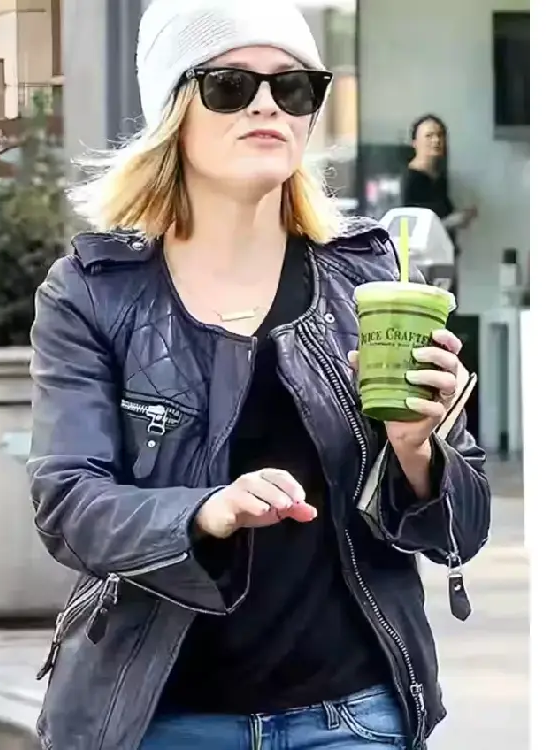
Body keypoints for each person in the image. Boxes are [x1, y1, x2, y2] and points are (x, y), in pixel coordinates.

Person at [27, 3, 491, 749]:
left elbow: (458, 532)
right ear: (173, 110)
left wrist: (419, 450)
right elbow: (69, 501)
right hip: (158, 721)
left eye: (294, 86)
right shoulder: (95, 292)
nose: (268, 105)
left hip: (352, 718)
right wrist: (204, 511)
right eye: (229, 85)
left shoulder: (369, 281)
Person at [401, 114, 477, 295]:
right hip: (419, 268)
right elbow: (413, 231)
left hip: (444, 262)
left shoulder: (439, 179)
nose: (436, 140)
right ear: (415, 143)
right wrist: (455, 220)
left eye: (440, 135)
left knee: (448, 308)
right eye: (429, 136)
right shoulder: (409, 180)